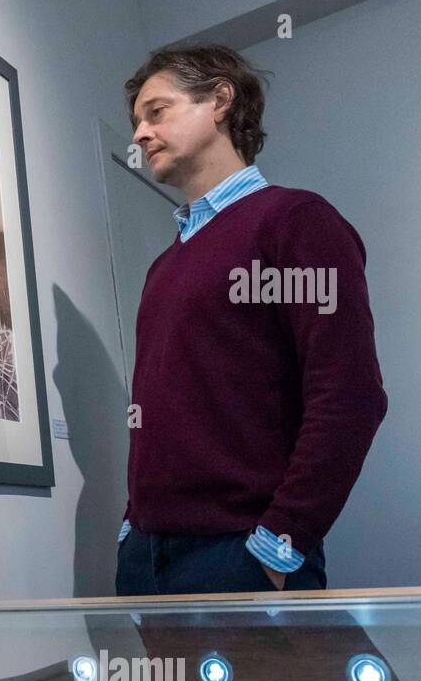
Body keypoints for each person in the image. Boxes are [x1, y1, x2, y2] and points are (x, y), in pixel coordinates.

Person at [116, 45, 387, 596]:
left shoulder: (295, 221)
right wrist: (132, 524)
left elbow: (351, 394)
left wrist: (279, 543)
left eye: (157, 111)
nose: (141, 134)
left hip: (239, 554)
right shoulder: (163, 266)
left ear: (219, 100)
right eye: (136, 121)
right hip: (146, 557)